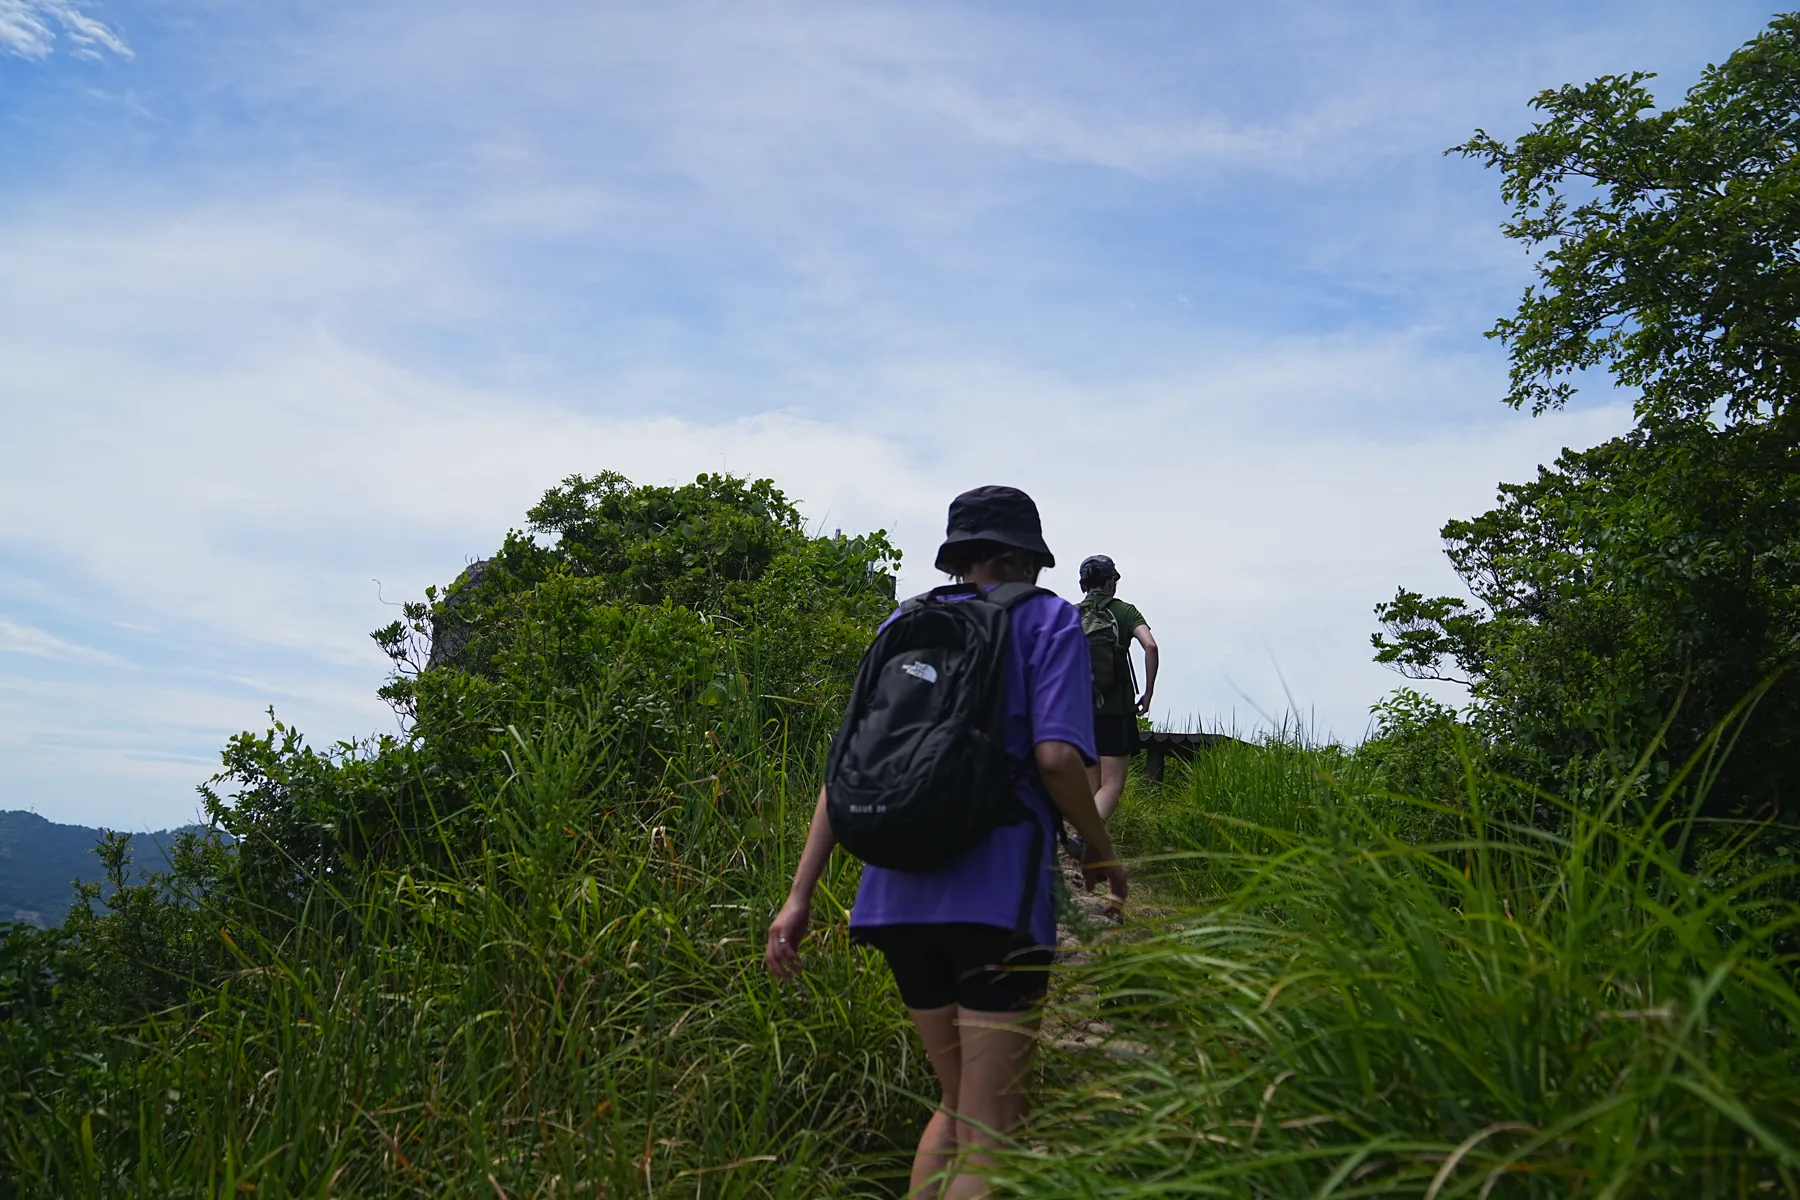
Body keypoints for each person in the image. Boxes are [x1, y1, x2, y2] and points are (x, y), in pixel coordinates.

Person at [765, 485, 1127, 1200]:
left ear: (959, 556)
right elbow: (1058, 760)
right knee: (995, 1125)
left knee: (958, 1103)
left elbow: (846, 771)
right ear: (1027, 557)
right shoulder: (1049, 619)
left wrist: (798, 896)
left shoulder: (904, 621)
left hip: (894, 897)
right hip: (995, 899)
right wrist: (1100, 847)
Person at [1076, 554, 1158, 825]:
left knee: (1092, 788)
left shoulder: (1071, 614)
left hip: (1080, 713)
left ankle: (1091, 852)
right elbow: (1151, 646)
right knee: (1111, 786)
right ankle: (1084, 836)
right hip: (1116, 711)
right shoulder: (1125, 611)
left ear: (1083, 584)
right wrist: (1148, 692)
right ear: (1112, 581)